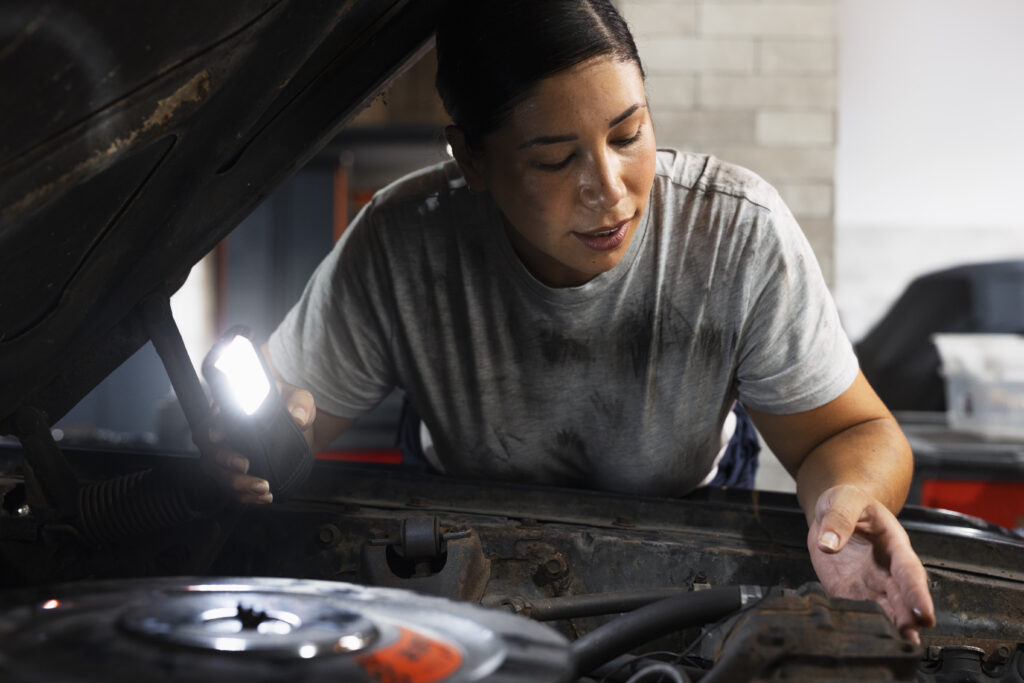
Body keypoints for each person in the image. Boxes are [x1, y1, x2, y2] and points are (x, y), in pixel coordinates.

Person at [206, 0, 935, 643]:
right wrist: (253, 446)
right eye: (556, 160)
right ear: (473, 159)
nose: (609, 191)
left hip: (687, 520)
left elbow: (853, 434)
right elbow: (278, 424)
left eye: (627, 135)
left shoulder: (735, 236)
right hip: (454, 537)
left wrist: (847, 501)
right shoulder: (402, 243)